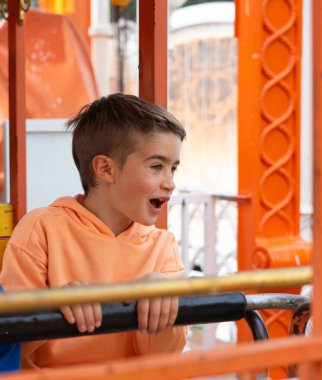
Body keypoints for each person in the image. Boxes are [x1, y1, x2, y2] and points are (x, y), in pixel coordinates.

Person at [0, 93, 187, 369]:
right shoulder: (40, 229)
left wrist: (164, 311)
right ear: (105, 169)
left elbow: (165, 357)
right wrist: (54, 307)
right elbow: (9, 346)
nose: (170, 183)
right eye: (157, 167)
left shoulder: (163, 245)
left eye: (173, 169)